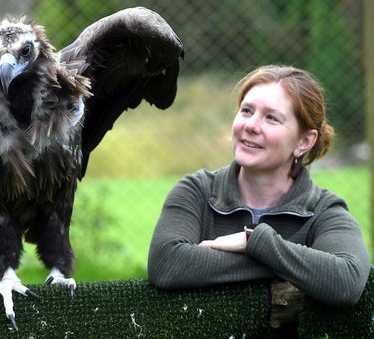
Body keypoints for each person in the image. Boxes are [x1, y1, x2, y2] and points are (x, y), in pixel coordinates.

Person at [147, 65, 371, 306]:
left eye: (271, 118)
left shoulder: (324, 212)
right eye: (246, 111)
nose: (251, 125)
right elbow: (166, 264)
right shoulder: (196, 192)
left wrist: (253, 241)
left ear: (304, 141)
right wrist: (290, 264)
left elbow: (346, 281)